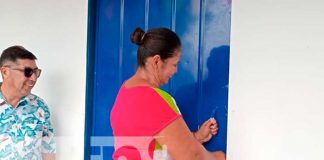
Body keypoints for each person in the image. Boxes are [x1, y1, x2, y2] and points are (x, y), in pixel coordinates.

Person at [110, 27, 225, 160]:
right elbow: (193, 156)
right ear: (157, 61)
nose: (176, 71)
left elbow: (150, 142)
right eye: (174, 64)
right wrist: (220, 157)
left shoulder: (125, 91)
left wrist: (195, 137)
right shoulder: (153, 98)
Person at [0, 46, 55, 160]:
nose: (34, 78)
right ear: (5, 72)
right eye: (28, 72)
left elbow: (48, 149)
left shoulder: (40, 107)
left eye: (36, 72)